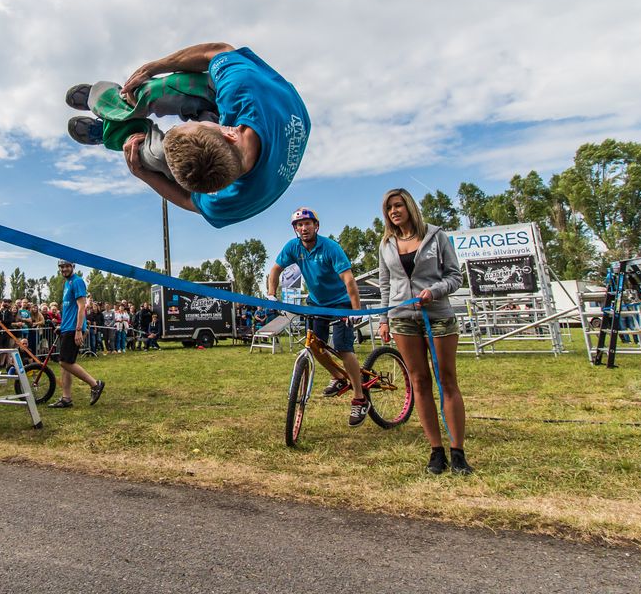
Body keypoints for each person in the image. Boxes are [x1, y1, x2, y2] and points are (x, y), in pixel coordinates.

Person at [66, 43, 309, 227]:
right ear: (228, 131)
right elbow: (215, 51)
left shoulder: (231, 200)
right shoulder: (242, 88)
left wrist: (142, 173)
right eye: (193, 123)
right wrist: (154, 67)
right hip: (273, 104)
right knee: (161, 89)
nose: (191, 120)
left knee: (155, 158)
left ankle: (114, 131)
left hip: (249, 150)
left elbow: (187, 200)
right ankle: (122, 101)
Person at [377, 188, 470, 475]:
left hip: (438, 315)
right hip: (403, 318)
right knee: (419, 381)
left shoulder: (436, 236)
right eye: (389, 208)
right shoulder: (386, 244)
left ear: (409, 207)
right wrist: (383, 319)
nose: (394, 211)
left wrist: (435, 291)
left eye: (398, 205)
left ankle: (458, 452)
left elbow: (455, 276)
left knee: (446, 380)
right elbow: (385, 285)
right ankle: (436, 451)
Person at [267, 208, 368, 427]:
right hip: (316, 303)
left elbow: (349, 280)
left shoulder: (331, 247)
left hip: (341, 303)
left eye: (307, 224)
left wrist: (355, 311)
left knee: (343, 347)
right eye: (299, 225)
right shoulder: (293, 247)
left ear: (316, 226)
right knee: (314, 344)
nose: (303, 228)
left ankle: (360, 397)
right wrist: (271, 295)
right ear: (295, 229)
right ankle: (339, 377)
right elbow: (275, 270)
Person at [47, 261, 104, 409]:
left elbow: (81, 307)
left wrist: (79, 329)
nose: (64, 269)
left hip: (74, 329)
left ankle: (94, 384)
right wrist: (62, 326)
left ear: (73, 266)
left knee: (65, 362)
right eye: (61, 267)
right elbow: (68, 309)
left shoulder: (77, 282)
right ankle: (66, 398)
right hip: (68, 327)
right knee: (66, 364)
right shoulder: (67, 283)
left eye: (67, 266)